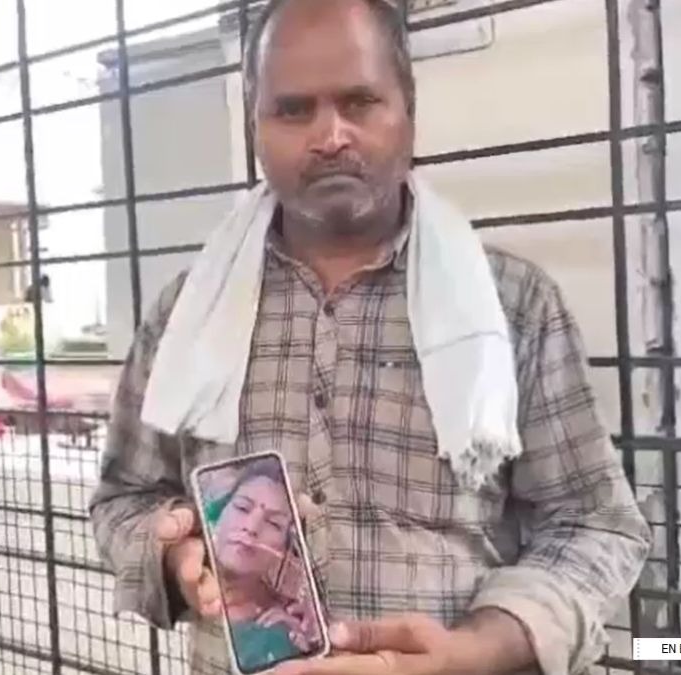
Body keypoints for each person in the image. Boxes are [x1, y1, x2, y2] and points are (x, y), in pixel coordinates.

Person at [90, 1, 651, 674]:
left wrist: (474, 649)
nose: (330, 136)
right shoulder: (185, 315)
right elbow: (125, 498)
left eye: (359, 102)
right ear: (255, 126)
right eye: (293, 110)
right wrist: (178, 557)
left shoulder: (514, 306)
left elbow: (594, 523)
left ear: (408, 109)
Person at [201, 460, 321, 670]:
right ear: (218, 513)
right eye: (242, 507)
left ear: (285, 548)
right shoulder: (185, 586)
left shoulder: (286, 624)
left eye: (274, 523)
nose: (251, 527)